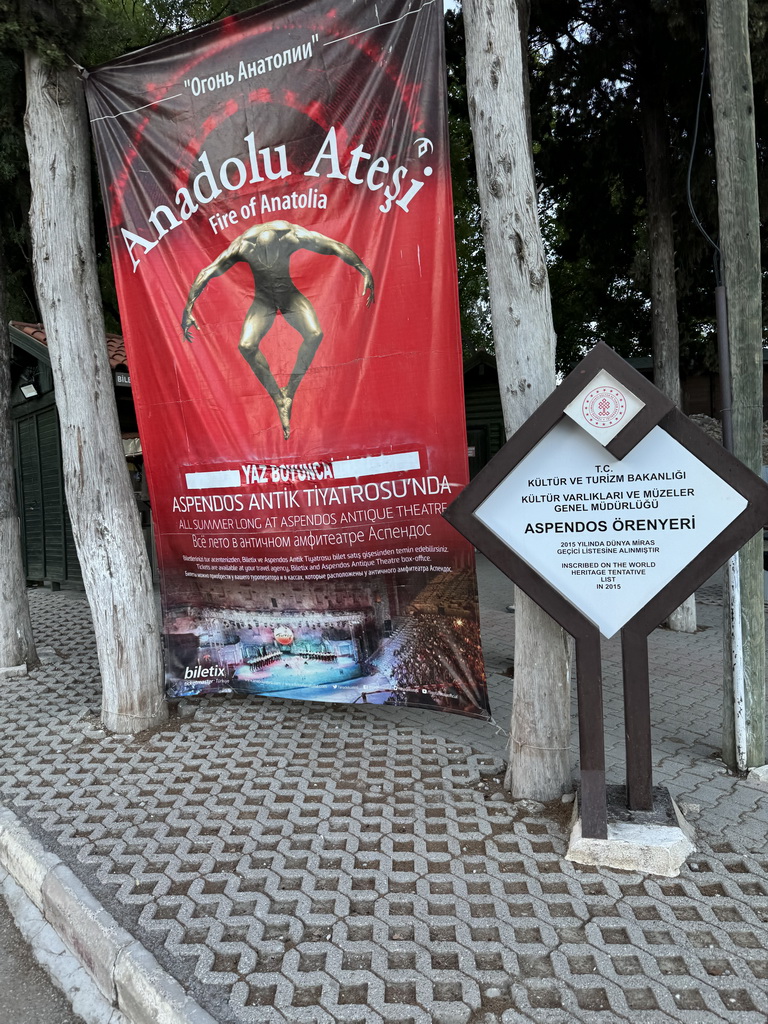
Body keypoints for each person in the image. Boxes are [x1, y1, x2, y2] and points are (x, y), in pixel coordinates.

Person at [181, 220, 375, 438]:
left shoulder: (291, 236)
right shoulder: (243, 246)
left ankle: (289, 392)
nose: (267, 260)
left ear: (279, 244)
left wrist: (362, 268)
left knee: (315, 334)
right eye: (263, 256)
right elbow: (208, 271)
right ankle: (279, 399)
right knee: (246, 345)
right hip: (263, 301)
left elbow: (333, 245)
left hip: (288, 296)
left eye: (271, 255)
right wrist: (188, 308)